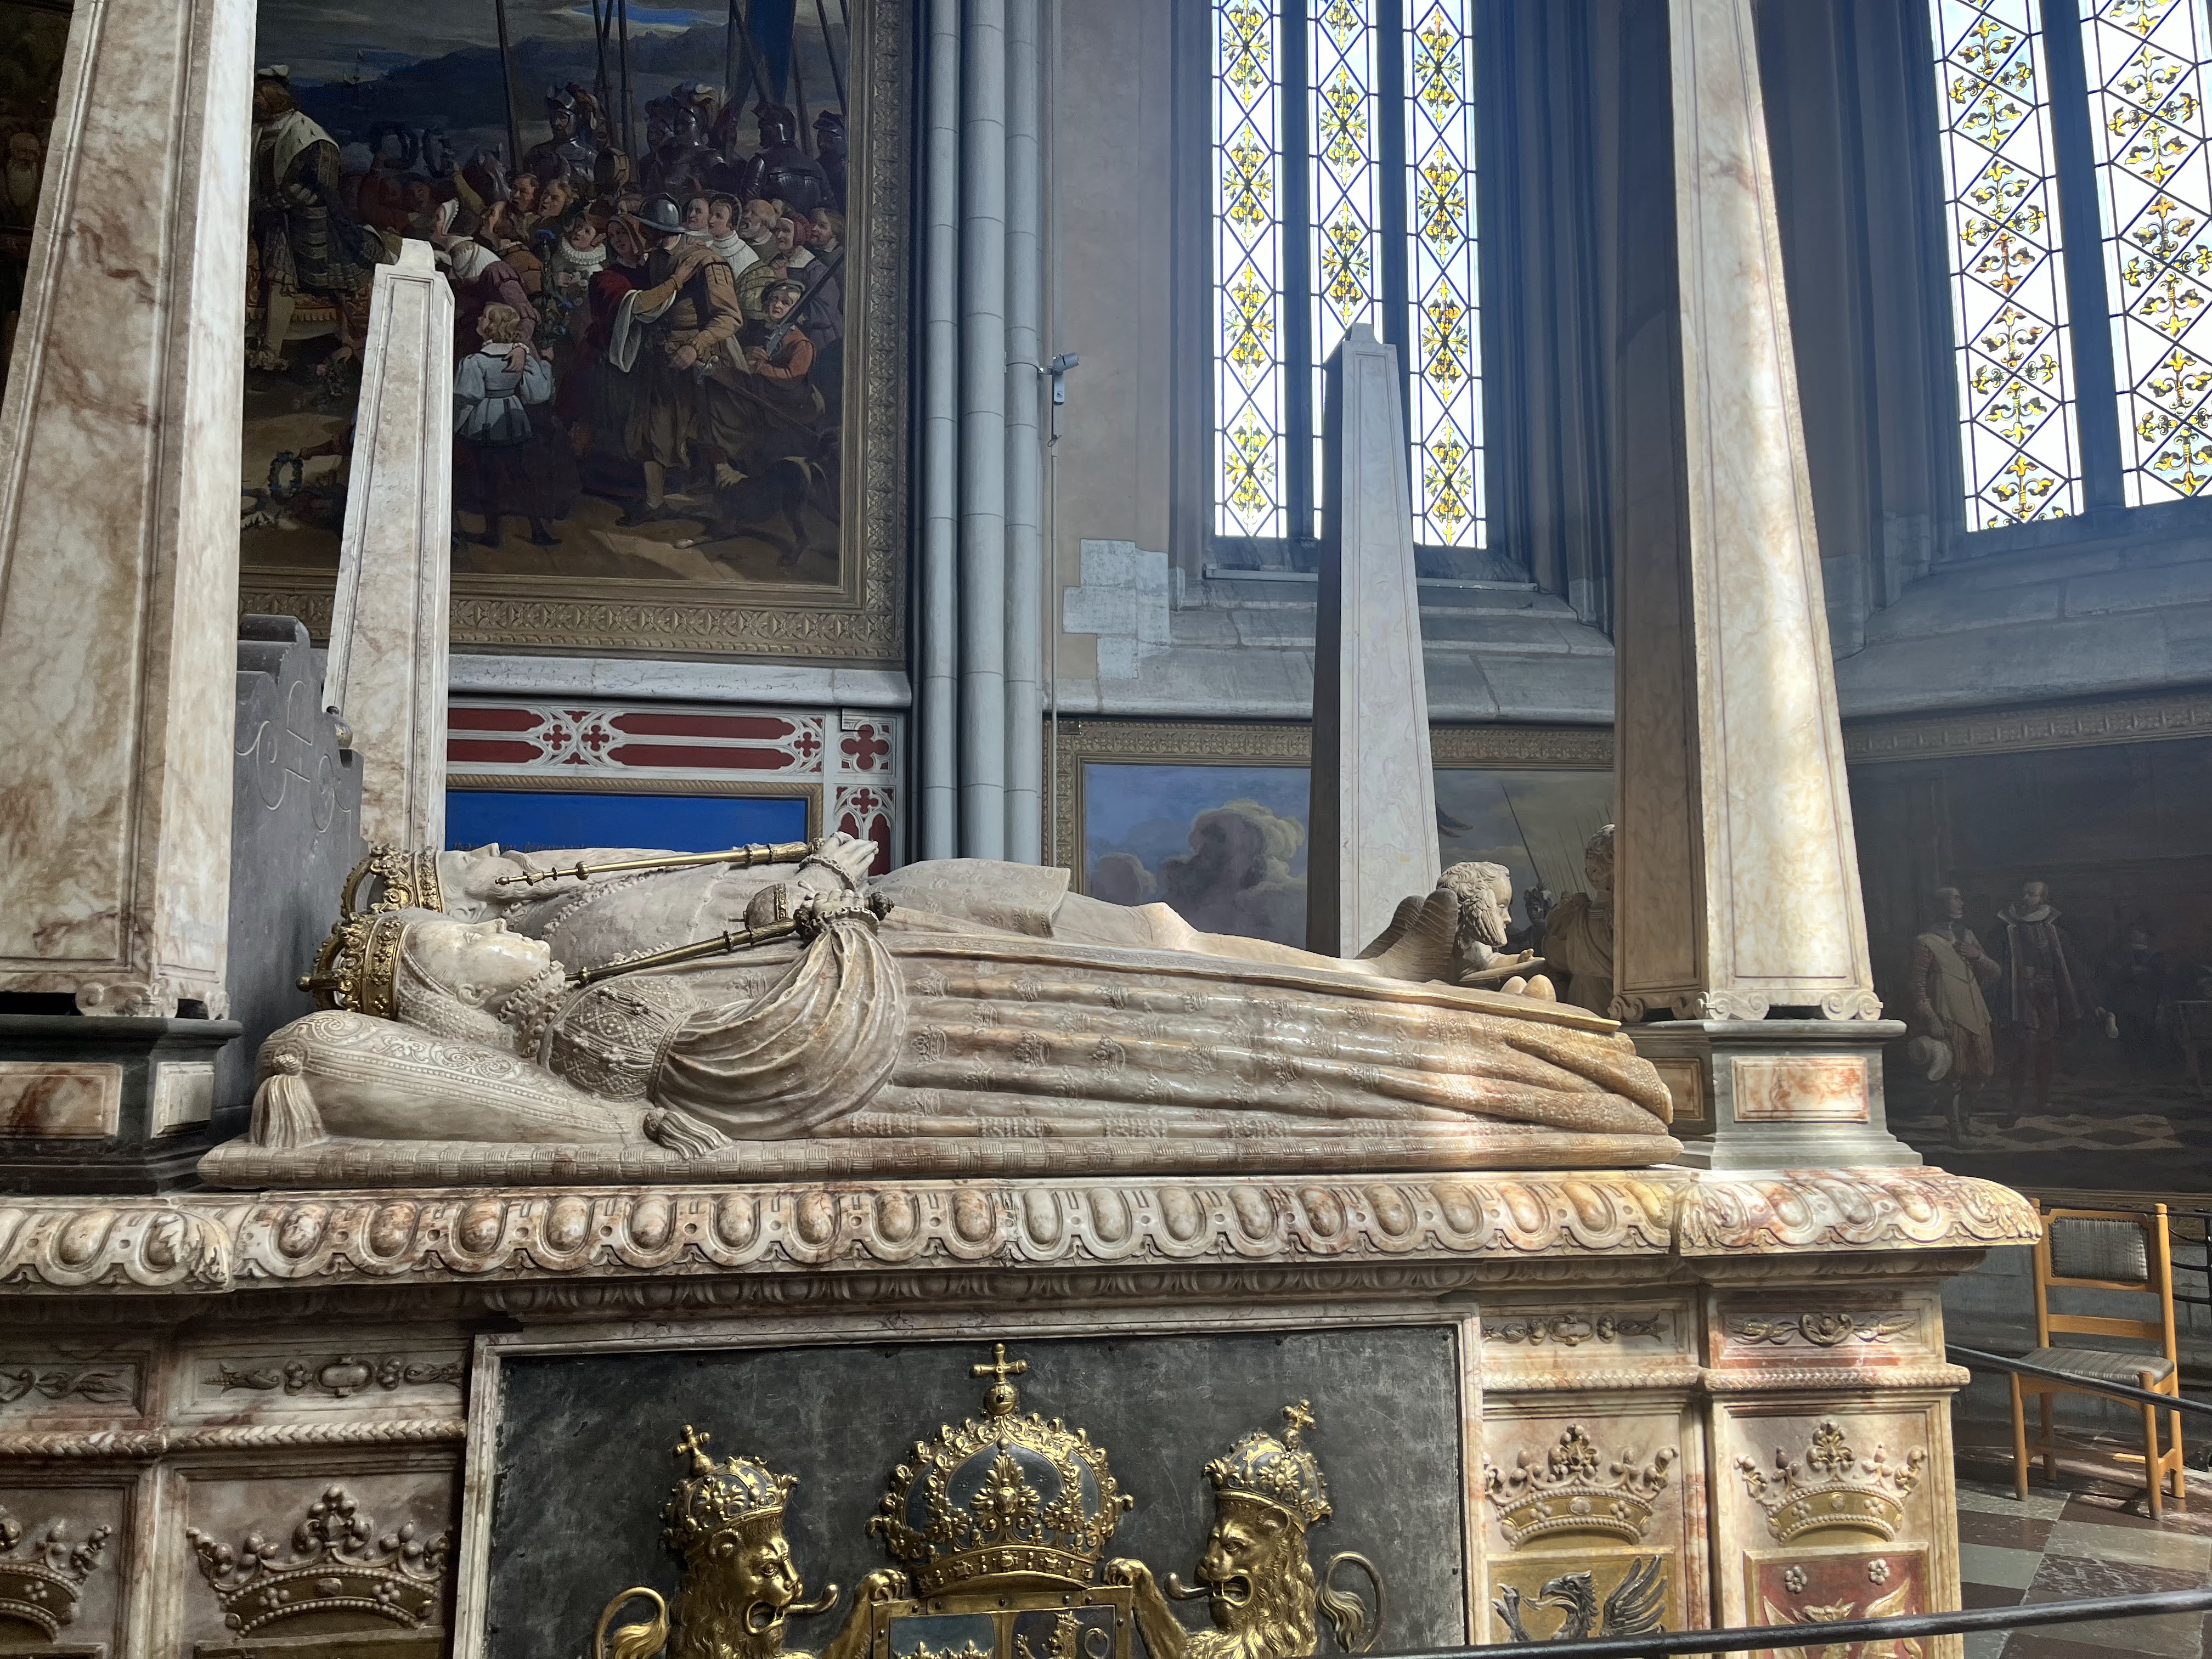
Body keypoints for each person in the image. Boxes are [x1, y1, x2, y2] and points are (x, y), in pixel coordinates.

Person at [617, 194, 743, 523]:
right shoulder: (655, 260)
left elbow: (730, 318)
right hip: (657, 358)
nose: (641, 234)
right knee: (647, 430)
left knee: (701, 434)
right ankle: (654, 504)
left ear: (661, 229)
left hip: (696, 362)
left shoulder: (707, 262)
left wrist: (695, 346)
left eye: (646, 228)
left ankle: (722, 508)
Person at [249, 65, 385, 369]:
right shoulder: (256, 130)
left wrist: (279, 202)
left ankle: (270, 351)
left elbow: (321, 185)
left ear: (274, 96)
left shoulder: (309, 135)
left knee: (281, 277)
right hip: (262, 213)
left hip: (300, 220)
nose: (255, 100)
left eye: (259, 95)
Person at [452, 303, 577, 548]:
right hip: (513, 418)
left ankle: (492, 535)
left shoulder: (475, 362)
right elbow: (539, 393)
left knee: (489, 480)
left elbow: (467, 397)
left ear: (492, 327)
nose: (479, 320)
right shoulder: (522, 357)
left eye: (484, 317)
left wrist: (454, 425)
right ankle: (538, 531)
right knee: (520, 476)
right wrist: (545, 362)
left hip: (484, 421)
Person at [1994, 879, 2100, 1120]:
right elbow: (1999, 966)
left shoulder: (2056, 932)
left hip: (2049, 995)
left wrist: (2091, 999)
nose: (2026, 898)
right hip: (2021, 996)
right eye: (2024, 893)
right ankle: (2016, 1106)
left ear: (2043, 898)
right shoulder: (2007, 930)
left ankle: (2043, 1101)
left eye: (2032, 894)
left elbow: (2072, 966)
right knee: (2023, 1048)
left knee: (2047, 1048)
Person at [1910, 886, 2000, 1142]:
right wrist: (1931, 1018)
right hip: (1948, 1014)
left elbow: (1995, 972)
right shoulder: (1925, 942)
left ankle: (1966, 1117)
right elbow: (1917, 986)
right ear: (1940, 904)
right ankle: (1956, 1127)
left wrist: (1978, 956)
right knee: (1954, 1075)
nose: (1961, 903)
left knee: (1983, 1072)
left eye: (1961, 898)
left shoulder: (1968, 936)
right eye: (1955, 899)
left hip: (1977, 1013)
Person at [1538, 826, 1616, 1017]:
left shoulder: (1575, 913)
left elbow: (1557, 957)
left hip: (1591, 995)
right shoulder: (1579, 913)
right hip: (1607, 999)